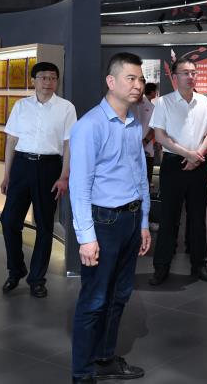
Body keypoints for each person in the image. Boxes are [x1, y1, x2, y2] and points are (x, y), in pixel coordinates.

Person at [69, 52, 152, 383]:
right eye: (130, 78)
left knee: (120, 295)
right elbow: (79, 187)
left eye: (140, 79)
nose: (138, 85)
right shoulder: (89, 125)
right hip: (103, 222)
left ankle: (104, 358)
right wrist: (86, 238)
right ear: (111, 82)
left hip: (130, 219)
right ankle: (82, 373)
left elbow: (140, 176)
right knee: (94, 300)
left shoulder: (134, 123)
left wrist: (143, 222)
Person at [0, 62, 76, 298]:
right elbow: (11, 141)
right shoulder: (21, 106)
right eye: (43, 77)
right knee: (9, 220)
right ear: (33, 80)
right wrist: (7, 174)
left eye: (53, 78)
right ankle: (16, 270)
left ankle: (37, 279)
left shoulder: (66, 108)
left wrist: (64, 176)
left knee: (44, 226)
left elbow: (69, 144)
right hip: (21, 166)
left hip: (49, 168)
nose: (48, 82)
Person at [149, 58, 207, 285]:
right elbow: (160, 136)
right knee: (169, 218)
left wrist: (197, 154)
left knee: (198, 218)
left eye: (193, 72)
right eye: (185, 72)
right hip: (173, 165)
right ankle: (161, 266)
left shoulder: (203, 101)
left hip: (198, 165)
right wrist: (187, 154)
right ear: (174, 77)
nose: (190, 76)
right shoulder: (164, 102)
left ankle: (200, 264)